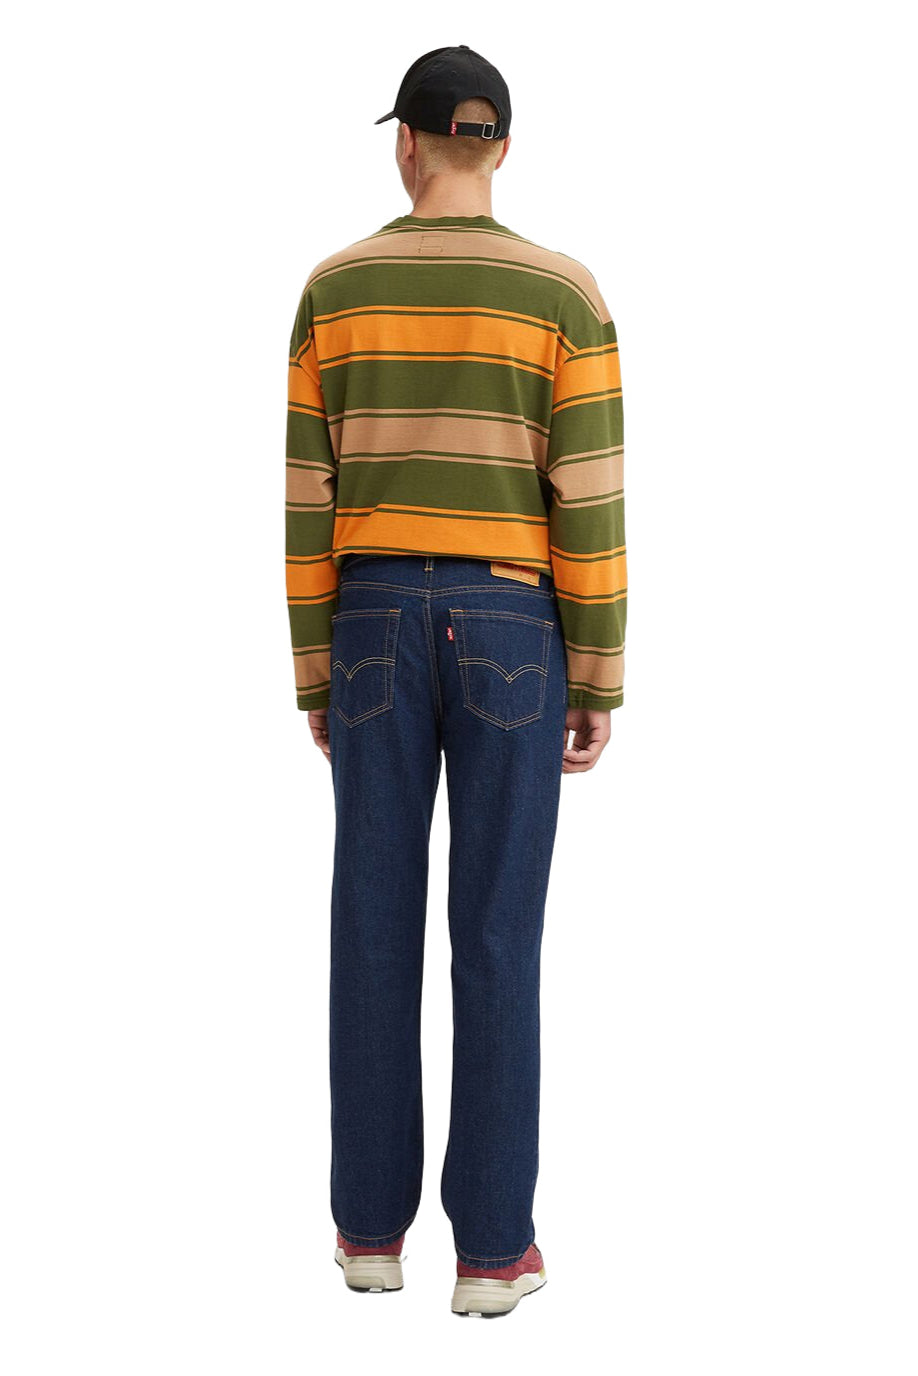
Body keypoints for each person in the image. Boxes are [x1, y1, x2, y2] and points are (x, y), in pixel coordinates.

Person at [285, 44, 626, 1318]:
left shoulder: (336, 287)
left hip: (370, 617)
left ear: (407, 145)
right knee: (496, 933)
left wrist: (314, 667)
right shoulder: (563, 293)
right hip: (514, 624)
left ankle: (369, 1233)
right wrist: (598, 668)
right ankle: (491, 1251)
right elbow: (588, 496)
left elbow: (306, 494)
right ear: (503, 147)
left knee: (371, 924)